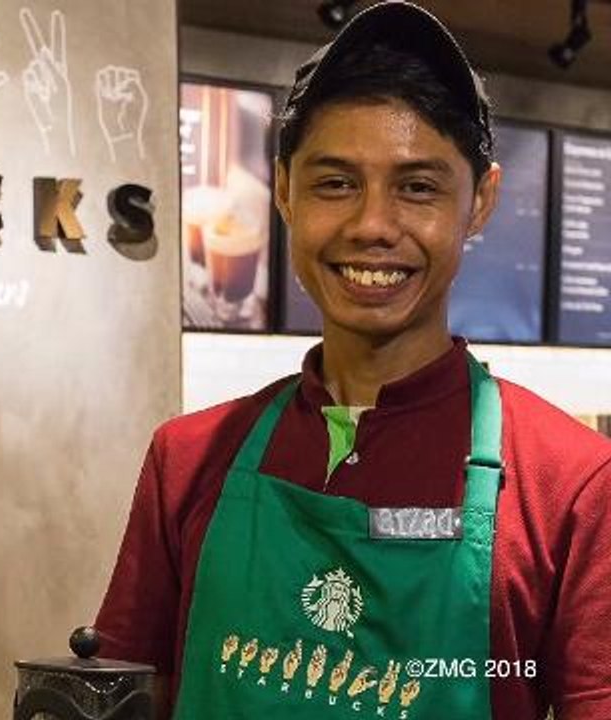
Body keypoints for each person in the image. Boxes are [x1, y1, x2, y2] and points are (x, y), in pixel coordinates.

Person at [94, 3, 611, 719]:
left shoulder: (573, 485)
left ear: (481, 201)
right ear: (282, 190)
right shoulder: (184, 461)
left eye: (418, 187)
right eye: (335, 183)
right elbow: (123, 693)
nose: (372, 225)